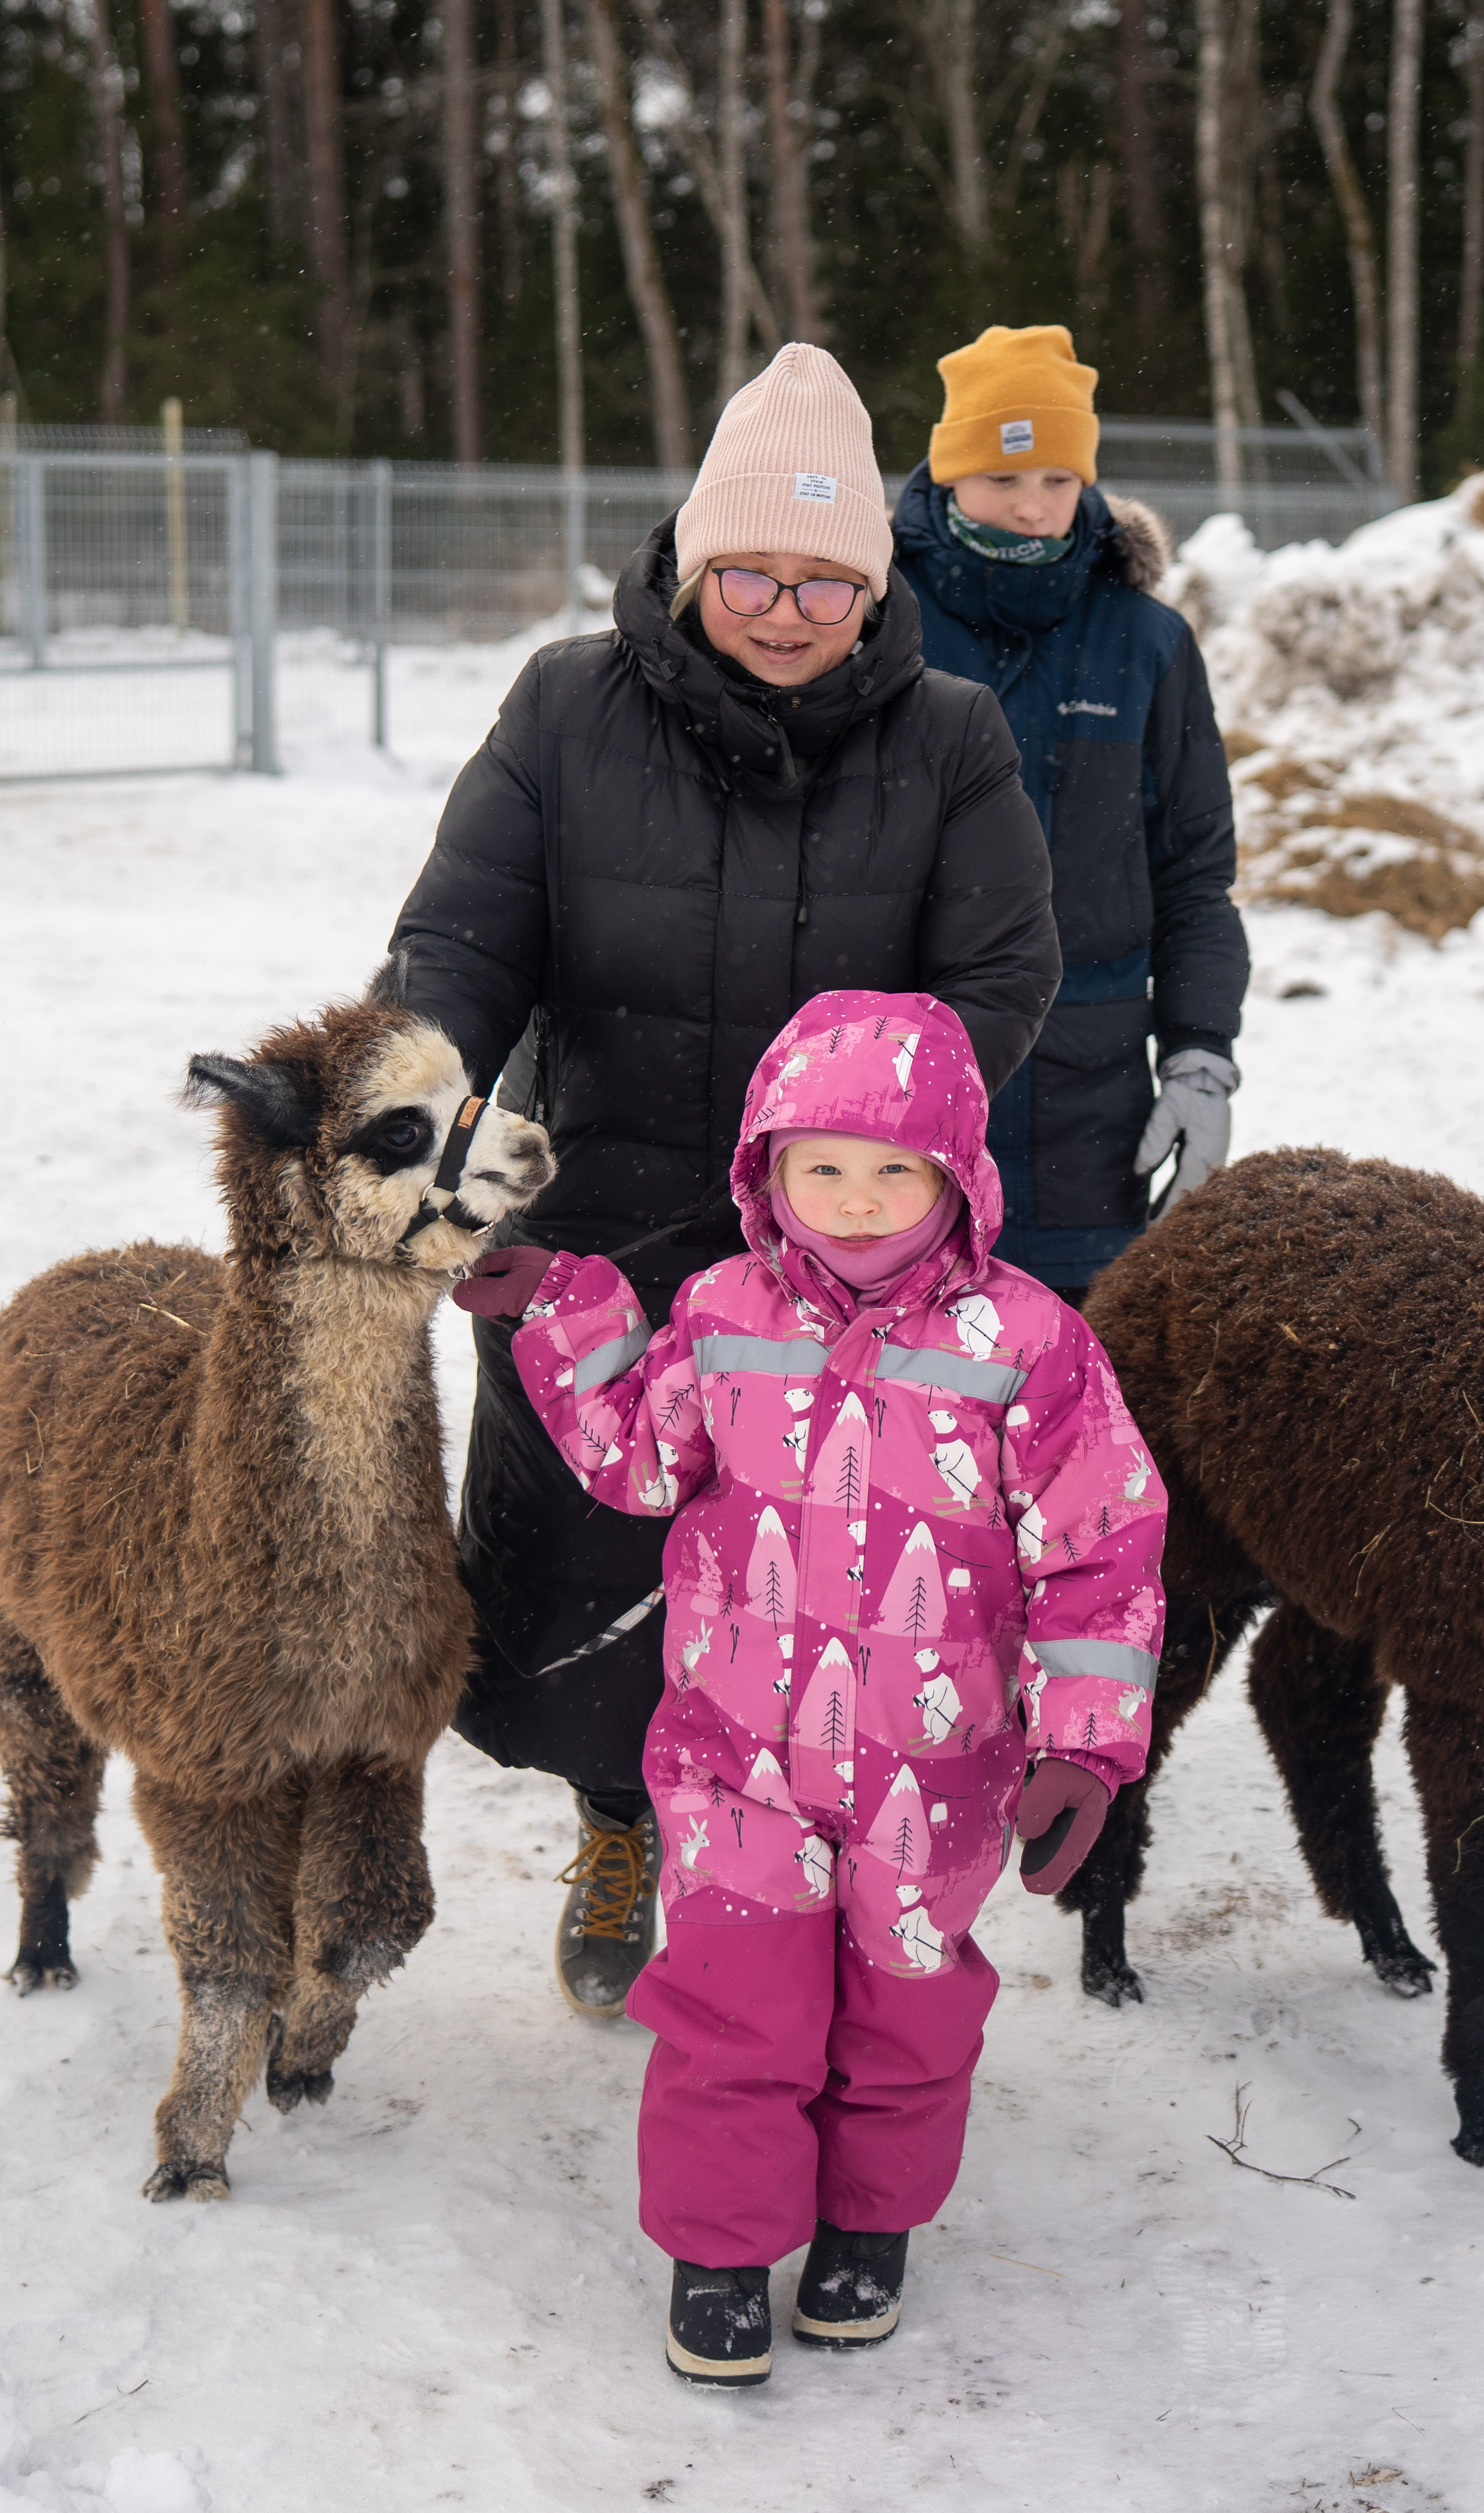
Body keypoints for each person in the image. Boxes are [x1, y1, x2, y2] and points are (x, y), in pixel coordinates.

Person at [384, 344, 1062, 2024]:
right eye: (751, 569)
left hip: (845, 1261)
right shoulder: (562, 706)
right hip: (594, 1227)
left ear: (874, 577)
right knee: (590, 1573)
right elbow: (463, 932)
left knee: (827, 1581)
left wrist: (873, 1145)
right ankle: (621, 1820)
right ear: (693, 562)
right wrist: (424, 1090)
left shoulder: (951, 737)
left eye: (825, 577)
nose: (783, 607)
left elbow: (1002, 973)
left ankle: (801, 1864)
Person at [450, 987, 1165, 2386]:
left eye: (891, 1169)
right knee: (733, 2003)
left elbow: (1101, 1547)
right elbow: (638, 1460)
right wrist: (564, 1301)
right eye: (817, 1166)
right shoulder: (722, 1311)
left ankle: (868, 2222)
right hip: (738, 1754)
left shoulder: (1025, 1346)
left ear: (957, 1176)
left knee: (904, 2009)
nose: (851, 1201)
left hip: (936, 1764)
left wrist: (1084, 1743)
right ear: (762, 1170)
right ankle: (718, 2248)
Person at [888, 324, 1248, 1295]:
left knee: (1068, 1392)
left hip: (1092, 1103)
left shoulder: (1148, 644)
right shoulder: (875, 620)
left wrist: (1200, 1057)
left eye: (1058, 479)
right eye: (1004, 478)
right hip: (897, 1087)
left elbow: (1195, 878)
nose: (1035, 508)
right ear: (950, 471)